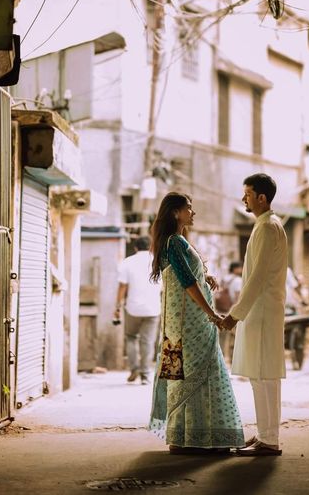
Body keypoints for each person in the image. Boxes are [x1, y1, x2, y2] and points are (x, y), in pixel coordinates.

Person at [148, 192, 244, 454]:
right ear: (175, 212)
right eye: (188, 208)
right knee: (190, 374)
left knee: (189, 374)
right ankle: (187, 438)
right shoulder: (174, 242)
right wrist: (211, 314)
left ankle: (194, 436)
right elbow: (187, 282)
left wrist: (207, 276)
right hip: (186, 325)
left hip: (181, 324)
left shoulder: (178, 242)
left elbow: (192, 276)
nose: (193, 212)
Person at [221, 173, 287, 457]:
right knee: (264, 376)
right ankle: (265, 435)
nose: (244, 199)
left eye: (247, 193)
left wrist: (234, 315)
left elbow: (256, 278)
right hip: (263, 310)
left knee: (262, 376)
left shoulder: (266, 228)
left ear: (261, 197)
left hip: (260, 311)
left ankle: (269, 439)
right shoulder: (270, 225)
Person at [114, 235, 161, 385]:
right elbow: (164, 287)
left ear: (135, 248)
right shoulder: (158, 262)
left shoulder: (128, 262)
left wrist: (117, 306)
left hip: (133, 308)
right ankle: (145, 374)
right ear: (151, 247)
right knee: (147, 341)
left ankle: (134, 368)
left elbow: (122, 286)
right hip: (153, 308)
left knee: (131, 337)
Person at [216, 262, 243, 363]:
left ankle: (221, 356)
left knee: (222, 335)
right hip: (231, 310)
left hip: (221, 310)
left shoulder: (224, 279)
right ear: (235, 269)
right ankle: (233, 358)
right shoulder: (237, 280)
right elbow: (238, 296)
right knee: (234, 336)